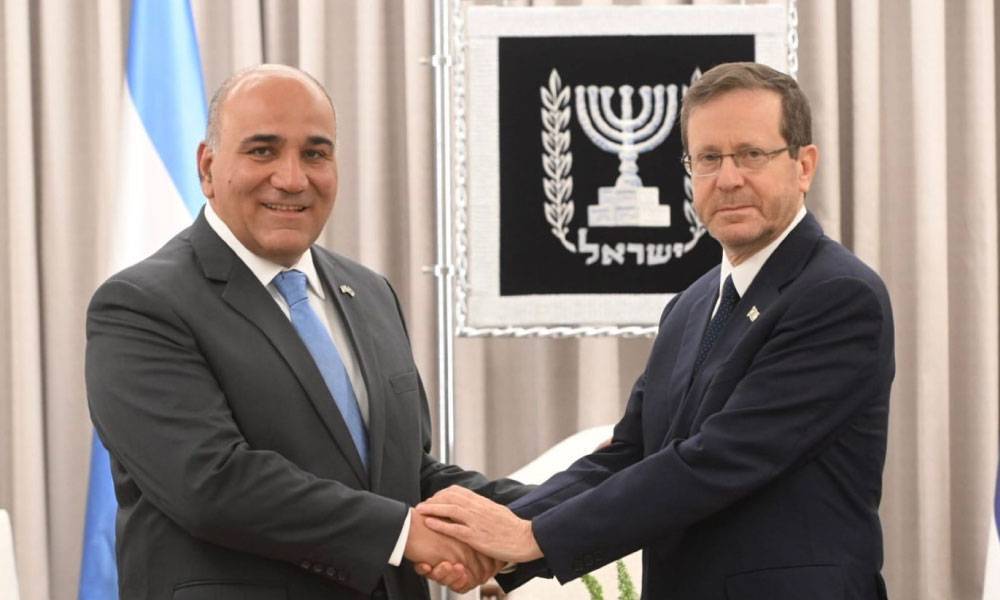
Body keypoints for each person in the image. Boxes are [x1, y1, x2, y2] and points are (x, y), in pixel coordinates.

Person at [416, 62, 895, 600]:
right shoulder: (690, 307)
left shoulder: (838, 296)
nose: (728, 179)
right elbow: (628, 455)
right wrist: (504, 543)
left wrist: (530, 538)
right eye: (708, 158)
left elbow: (717, 460)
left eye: (751, 154)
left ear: (803, 166)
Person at [85, 64, 527, 600]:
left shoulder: (371, 293)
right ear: (207, 167)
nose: (293, 178)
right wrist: (404, 534)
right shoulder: (141, 306)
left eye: (315, 154)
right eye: (262, 151)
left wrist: (549, 517)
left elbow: (406, 476)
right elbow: (211, 482)